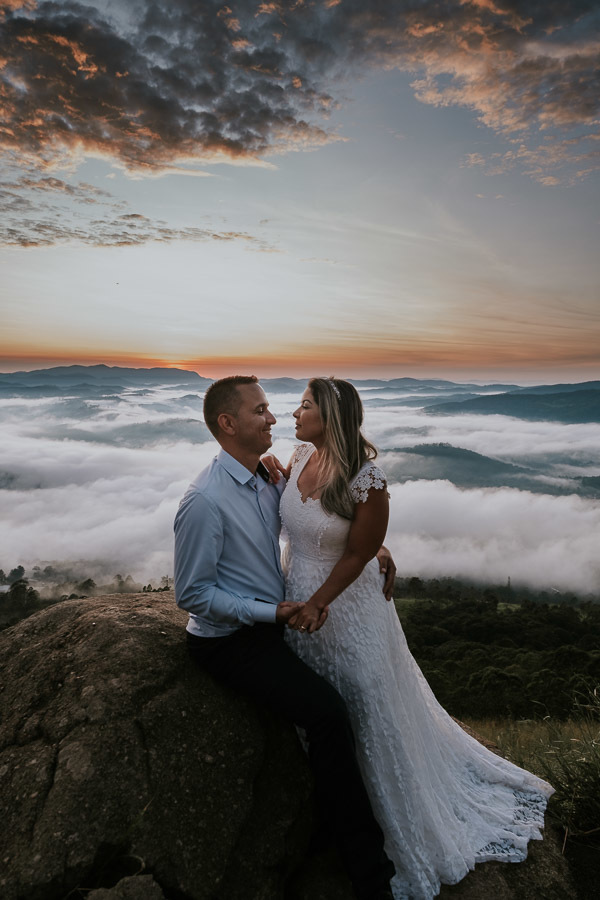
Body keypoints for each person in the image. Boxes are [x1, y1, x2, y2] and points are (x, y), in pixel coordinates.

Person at [265, 376, 554, 900]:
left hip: (345, 605)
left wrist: (321, 600)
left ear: (330, 414)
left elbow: (355, 550)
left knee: (366, 703)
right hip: (299, 588)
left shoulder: (367, 478)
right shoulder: (300, 454)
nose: (294, 413)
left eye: (304, 405)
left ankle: (384, 826)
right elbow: (309, 516)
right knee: (318, 707)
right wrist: (272, 471)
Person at [173, 375, 396, 900]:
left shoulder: (266, 475)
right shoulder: (204, 500)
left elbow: (323, 520)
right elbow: (192, 594)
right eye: (261, 410)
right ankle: (370, 873)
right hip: (230, 639)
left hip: (277, 621)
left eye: (277, 408)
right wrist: (271, 612)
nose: (274, 418)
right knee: (327, 713)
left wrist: (373, 550)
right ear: (228, 424)